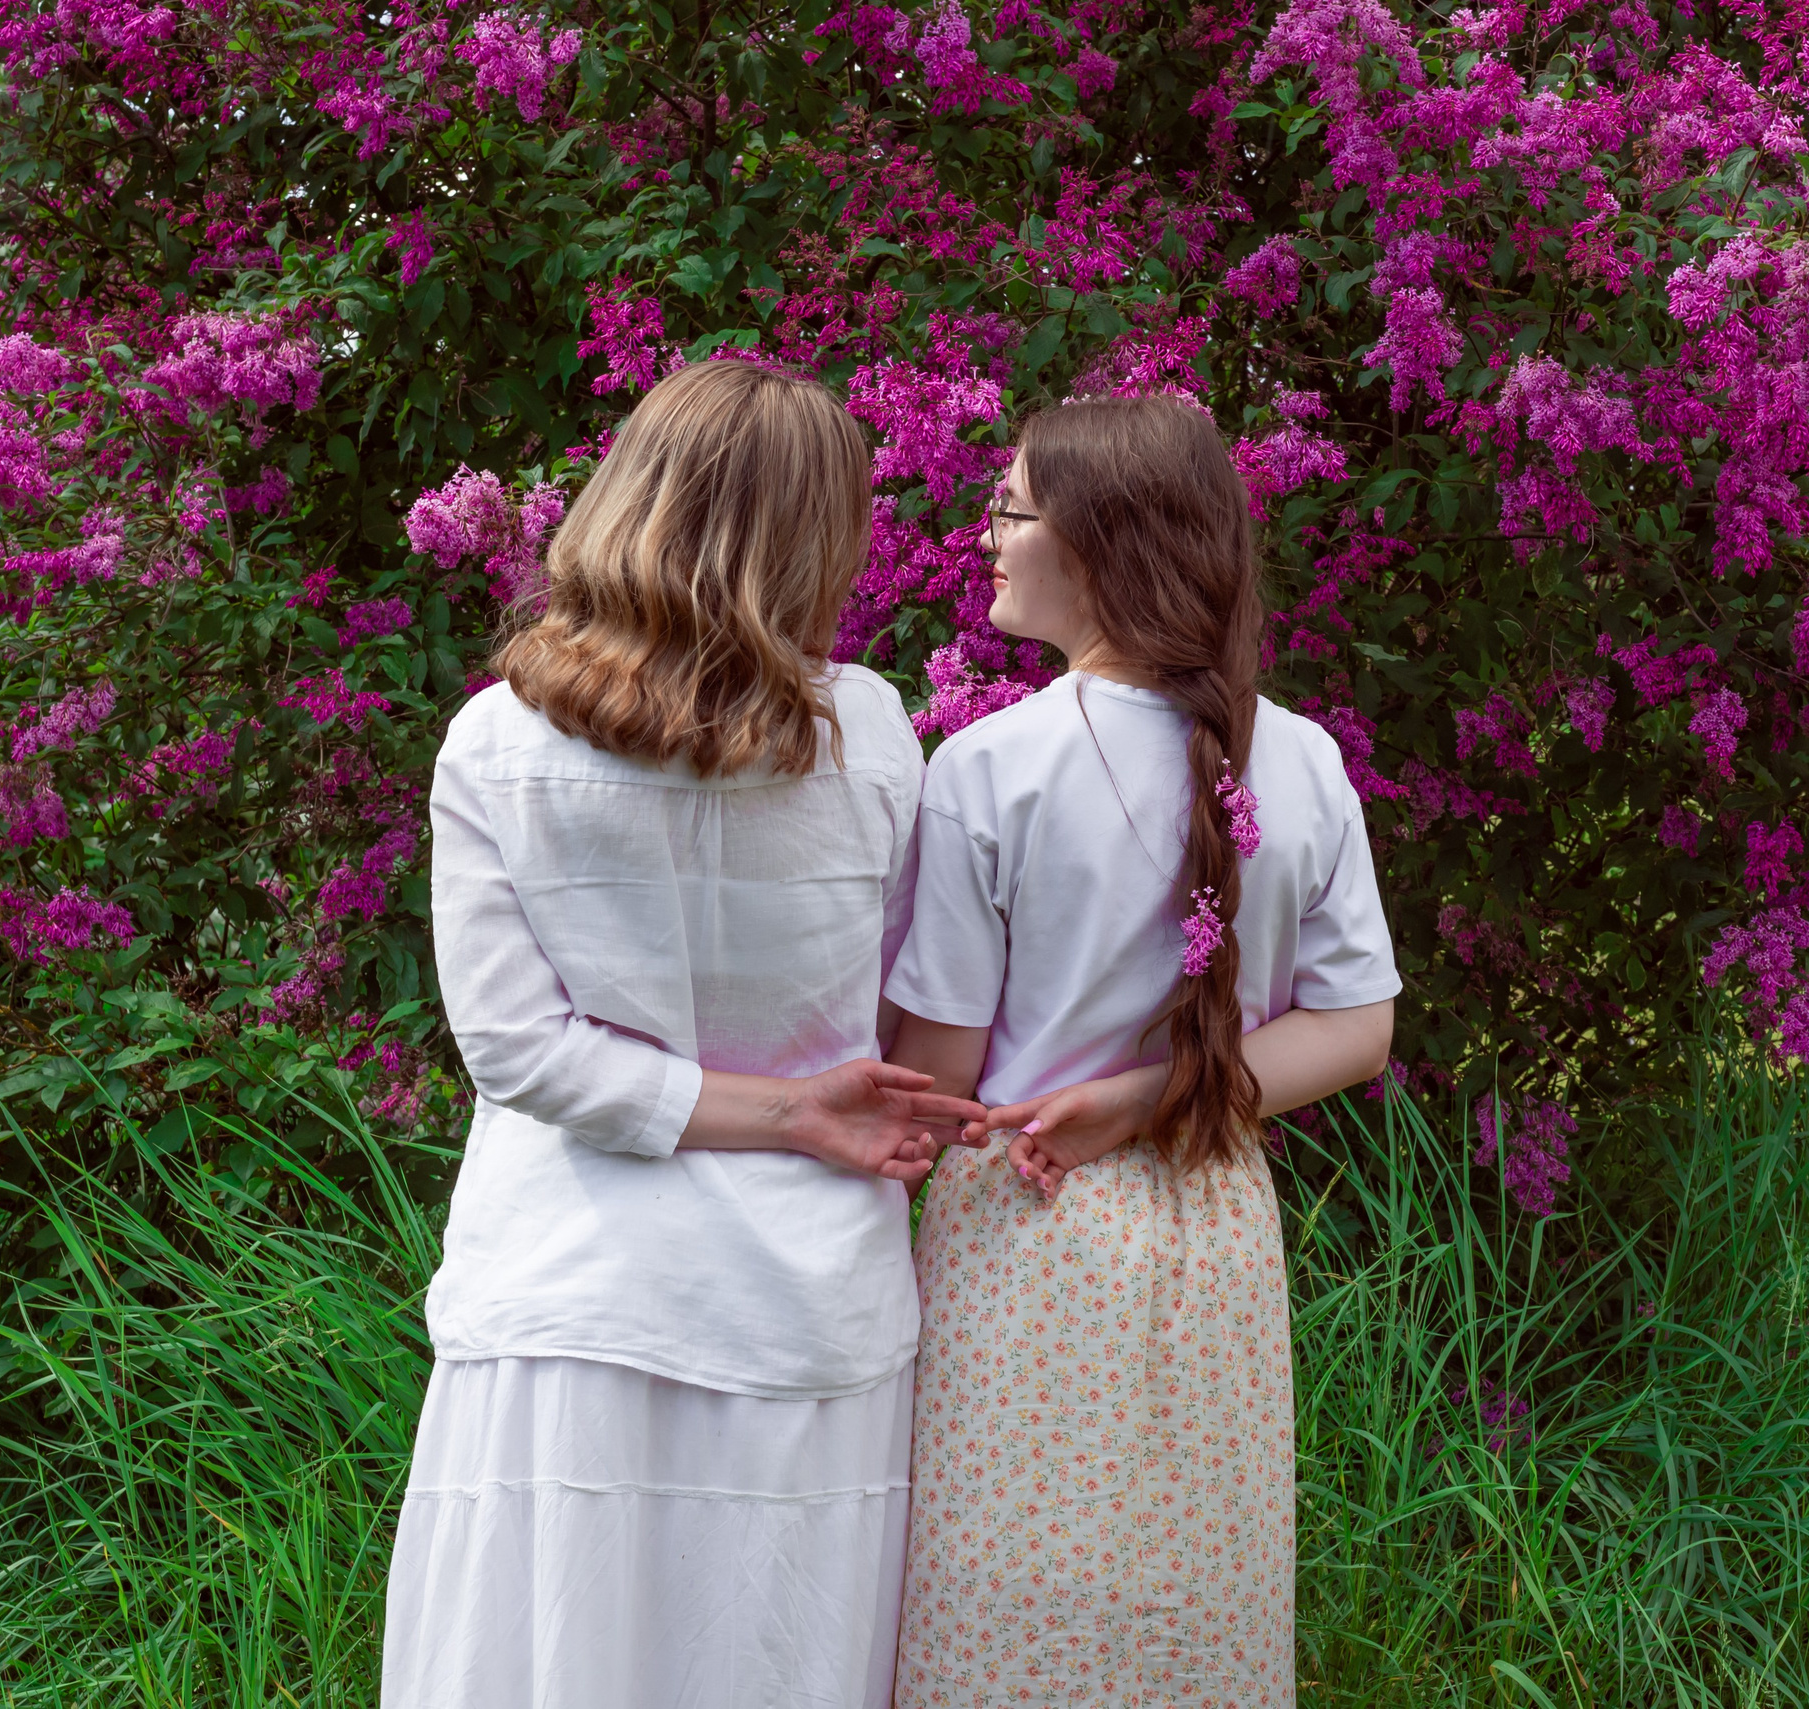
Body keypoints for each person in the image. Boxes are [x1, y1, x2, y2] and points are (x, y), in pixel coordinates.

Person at [381, 360, 979, 1709]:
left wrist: (778, 1105)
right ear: (815, 536)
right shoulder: (872, 734)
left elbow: (519, 1053)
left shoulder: (494, 741)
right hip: (802, 1305)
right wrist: (802, 1110)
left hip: (567, 1290)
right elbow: (902, 1021)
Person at [885, 396, 1401, 1705]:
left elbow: (937, 1080)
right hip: (1211, 1225)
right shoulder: (1307, 760)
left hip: (1022, 1229)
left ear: (1103, 541)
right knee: (1188, 1617)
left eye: (1011, 508)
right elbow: (1357, 1026)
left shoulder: (988, 769)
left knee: (996, 1608)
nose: (986, 534)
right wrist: (1158, 1095)